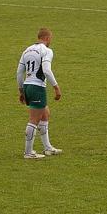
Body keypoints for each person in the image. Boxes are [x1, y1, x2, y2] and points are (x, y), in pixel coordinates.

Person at [17, 28, 63, 159]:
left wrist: (21, 90)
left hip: (27, 86)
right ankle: (28, 152)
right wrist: (56, 87)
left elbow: (19, 72)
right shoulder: (46, 51)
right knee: (34, 120)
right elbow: (47, 70)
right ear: (47, 38)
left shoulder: (26, 50)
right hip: (37, 87)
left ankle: (47, 148)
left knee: (45, 114)